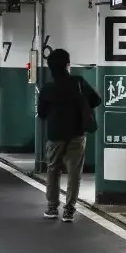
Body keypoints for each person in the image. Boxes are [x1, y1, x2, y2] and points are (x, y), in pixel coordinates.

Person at [37, 47, 100, 223]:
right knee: (74, 173)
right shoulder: (78, 82)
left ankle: (52, 208)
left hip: (55, 135)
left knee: (53, 170)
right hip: (77, 134)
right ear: (67, 65)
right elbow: (97, 100)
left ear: (50, 67)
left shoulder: (47, 89)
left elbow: (41, 114)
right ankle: (69, 211)